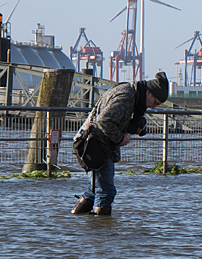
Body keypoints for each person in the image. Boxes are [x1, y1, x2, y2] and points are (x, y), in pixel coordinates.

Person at [70, 72, 169, 215]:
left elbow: (114, 119)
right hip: (95, 145)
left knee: (94, 191)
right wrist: (120, 138)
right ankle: (102, 234)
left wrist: (132, 127)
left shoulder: (131, 93)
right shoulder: (126, 96)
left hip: (95, 143)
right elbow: (104, 120)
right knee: (106, 192)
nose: (154, 107)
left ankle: (77, 224)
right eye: (155, 102)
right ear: (148, 92)